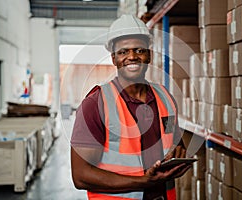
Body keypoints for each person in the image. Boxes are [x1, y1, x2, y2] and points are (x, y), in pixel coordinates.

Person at [70, 14, 191, 200]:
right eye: (123, 52)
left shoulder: (165, 98)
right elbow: (80, 176)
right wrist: (144, 182)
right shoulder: (95, 105)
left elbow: (173, 139)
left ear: (149, 55)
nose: (132, 57)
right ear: (114, 59)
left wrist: (178, 151)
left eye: (139, 50)